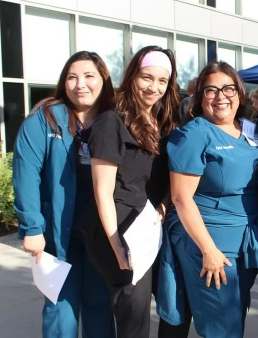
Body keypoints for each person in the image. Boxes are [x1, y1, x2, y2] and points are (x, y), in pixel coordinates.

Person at [12, 51, 116, 338]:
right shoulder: (44, 118)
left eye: (88, 76)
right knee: (61, 310)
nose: (80, 84)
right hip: (57, 234)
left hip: (101, 235)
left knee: (100, 308)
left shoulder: (114, 120)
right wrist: (32, 228)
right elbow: (25, 174)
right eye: (72, 77)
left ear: (103, 80)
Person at [82, 46, 181, 338]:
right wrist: (116, 244)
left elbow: (164, 178)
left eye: (162, 81)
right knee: (134, 321)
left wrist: (162, 207)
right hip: (121, 233)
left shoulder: (163, 123)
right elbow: (102, 191)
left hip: (149, 230)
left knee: (170, 308)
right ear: (132, 76)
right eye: (146, 78)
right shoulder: (110, 121)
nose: (153, 87)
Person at [161, 61, 258, 338]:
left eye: (228, 88)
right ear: (199, 97)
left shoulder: (251, 132)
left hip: (243, 241)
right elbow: (181, 198)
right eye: (211, 90)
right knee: (221, 328)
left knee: (234, 319)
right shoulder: (194, 134)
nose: (221, 96)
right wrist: (208, 250)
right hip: (210, 241)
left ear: (240, 93)